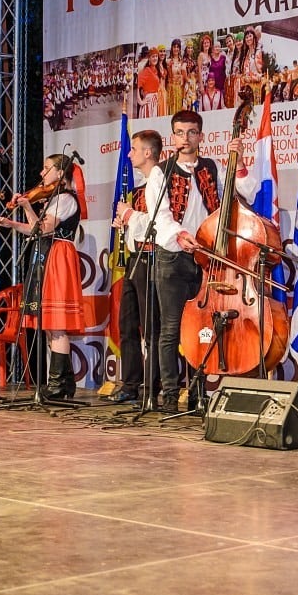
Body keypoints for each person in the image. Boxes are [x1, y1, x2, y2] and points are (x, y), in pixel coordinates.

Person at [145, 110, 260, 413]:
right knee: (171, 329)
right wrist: (180, 235)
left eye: (192, 132)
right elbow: (160, 216)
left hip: (207, 258)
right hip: (173, 257)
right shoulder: (162, 171)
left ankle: (198, 391)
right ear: (173, 137)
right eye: (180, 133)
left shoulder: (211, 167)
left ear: (201, 136)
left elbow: (246, 191)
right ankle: (170, 392)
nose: (186, 138)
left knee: (204, 327)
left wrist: (240, 160)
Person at [0, 154, 87, 400]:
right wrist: (11, 224)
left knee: (56, 324)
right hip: (48, 253)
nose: (42, 173)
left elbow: (43, 228)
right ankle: (65, 382)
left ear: (60, 173)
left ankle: (57, 383)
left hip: (58, 255)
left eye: (47, 168)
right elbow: (36, 229)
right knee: (49, 325)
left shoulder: (65, 199)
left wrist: (26, 206)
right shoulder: (55, 199)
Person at [109, 130, 163, 405]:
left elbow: (159, 221)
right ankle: (131, 382)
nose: (129, 154)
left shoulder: (161, 182)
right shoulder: (138, 189)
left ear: (148, 153)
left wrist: (130, 217)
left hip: (151, 258)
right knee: (127, 323)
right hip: (133, 258)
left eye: (134, 149)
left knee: (150, 325)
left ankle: (152, 386)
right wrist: (124, 224)